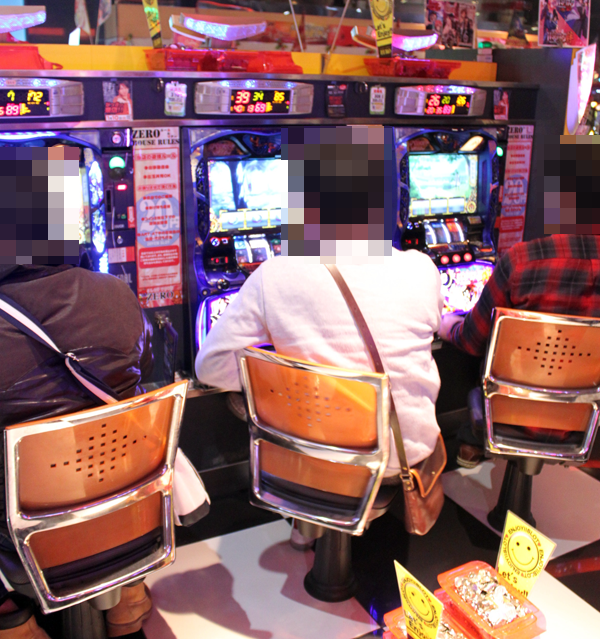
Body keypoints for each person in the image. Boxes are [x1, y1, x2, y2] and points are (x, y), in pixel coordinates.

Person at [196, 250, 444, 545]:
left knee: (242, 400)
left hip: (310, 456)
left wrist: (280, 378)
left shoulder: (274, 274)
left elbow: (210, 367)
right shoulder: (420, 267)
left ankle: (310, 522)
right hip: (402, 456)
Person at [0, 262, 154, 638]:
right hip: (125, 511)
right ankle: (129, 593)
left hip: (24, 534)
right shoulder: (115, 293)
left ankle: (12, 619)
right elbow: (145, 372)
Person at [439, 234, 600, 465]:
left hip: (512, 414)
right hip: (588, 422)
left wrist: (448, 326)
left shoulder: (522, 259)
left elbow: (472, 341)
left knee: (493, 352)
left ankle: (472, 442)